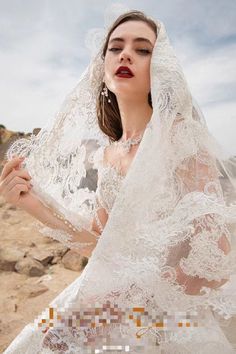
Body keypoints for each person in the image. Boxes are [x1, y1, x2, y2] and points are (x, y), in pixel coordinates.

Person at [1, 8, 236, 354]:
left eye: (143, 49)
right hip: (105, 302)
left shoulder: (181, 139)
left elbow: (215, 262)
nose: (126, 53)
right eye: (116, 47)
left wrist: (125, 308)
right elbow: (99, 246)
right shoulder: (108, 155)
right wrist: (31, 203)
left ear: (161, 68)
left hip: (172, 319)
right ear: (102, 67)